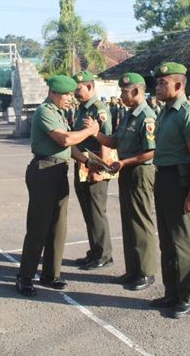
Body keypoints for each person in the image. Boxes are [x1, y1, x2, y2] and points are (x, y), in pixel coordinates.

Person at [15, 75, 100, 297]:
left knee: (57, 227)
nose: (70, 99)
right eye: (67, 94)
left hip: (59, 170)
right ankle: (25, 277)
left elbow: (69, 148)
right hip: (44, 170)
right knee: (38, 226)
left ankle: (50, 274)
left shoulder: (59, 113)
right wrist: (90, 132)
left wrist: (89, 162)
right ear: (54, 93)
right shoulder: (45, 111)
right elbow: (64, 140)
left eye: (72, 94)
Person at [148, 62, 190, 319]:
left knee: (184, 242)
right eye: (157, 82)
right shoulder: (165, 112)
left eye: (163, 82)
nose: (157, 86)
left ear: (178, 85)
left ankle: (187, 297)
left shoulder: (188, 114)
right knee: (167, 241)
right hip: (163, 178)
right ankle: (172, 291)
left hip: (180, 181)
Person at [92, 72, 159, 291]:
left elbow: (151, 151)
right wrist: (95, 134)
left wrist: (125, 162)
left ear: (138, 91)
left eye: (124, 91)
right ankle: (133, 270)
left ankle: (146, 272)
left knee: (141, 222)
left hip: (140, 172)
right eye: (121, 90)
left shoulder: (147, 116)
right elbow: (114, 141)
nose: (121, 95)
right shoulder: (130, 114)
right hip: (126, 170)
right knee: (128, 223)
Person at [71, 70, 114, 270]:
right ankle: (94, 251)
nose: (75, 93)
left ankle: (104, 255)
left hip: (94, 165)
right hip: (82, 164)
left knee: (97, 211)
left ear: (89, 87)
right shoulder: (81, 109)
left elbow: (106, 140)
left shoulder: (99, 109)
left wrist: (101, 169)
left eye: (78, 89)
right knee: (88, 211)